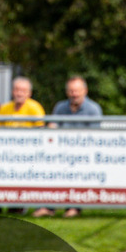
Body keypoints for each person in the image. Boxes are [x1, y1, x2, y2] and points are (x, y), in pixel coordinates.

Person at [38, 76, 103, 217]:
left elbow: (95, 136)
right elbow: (53, 127)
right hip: (60, 153)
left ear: (85, 91)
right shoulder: (60, 107)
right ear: (67, 92)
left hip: (83, 155)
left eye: (77, 91)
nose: (74, 94)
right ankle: (48, 207)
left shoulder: (93, 109)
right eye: (71, 91)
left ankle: (73, 207)